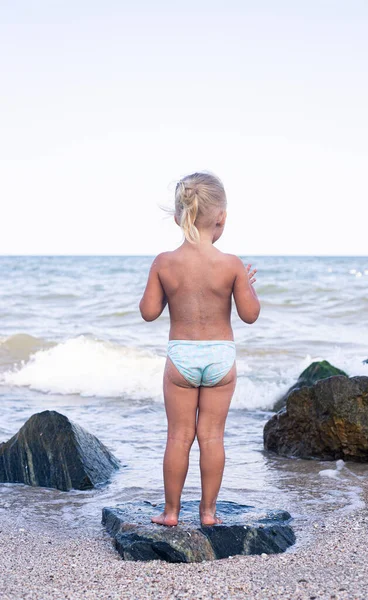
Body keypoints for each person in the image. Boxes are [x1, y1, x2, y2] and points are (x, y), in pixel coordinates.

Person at [139, 171, 260, 526]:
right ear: (221, 218)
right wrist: (249, 288)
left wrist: (157, 283)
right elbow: (250, 315)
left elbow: (148, 313)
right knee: (211, 437)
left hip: (181, 358)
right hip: (220, 358)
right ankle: (208, 514)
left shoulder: (164, 262)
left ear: (178, 217)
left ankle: (171, 512)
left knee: (178, 436)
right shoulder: (232, 264)